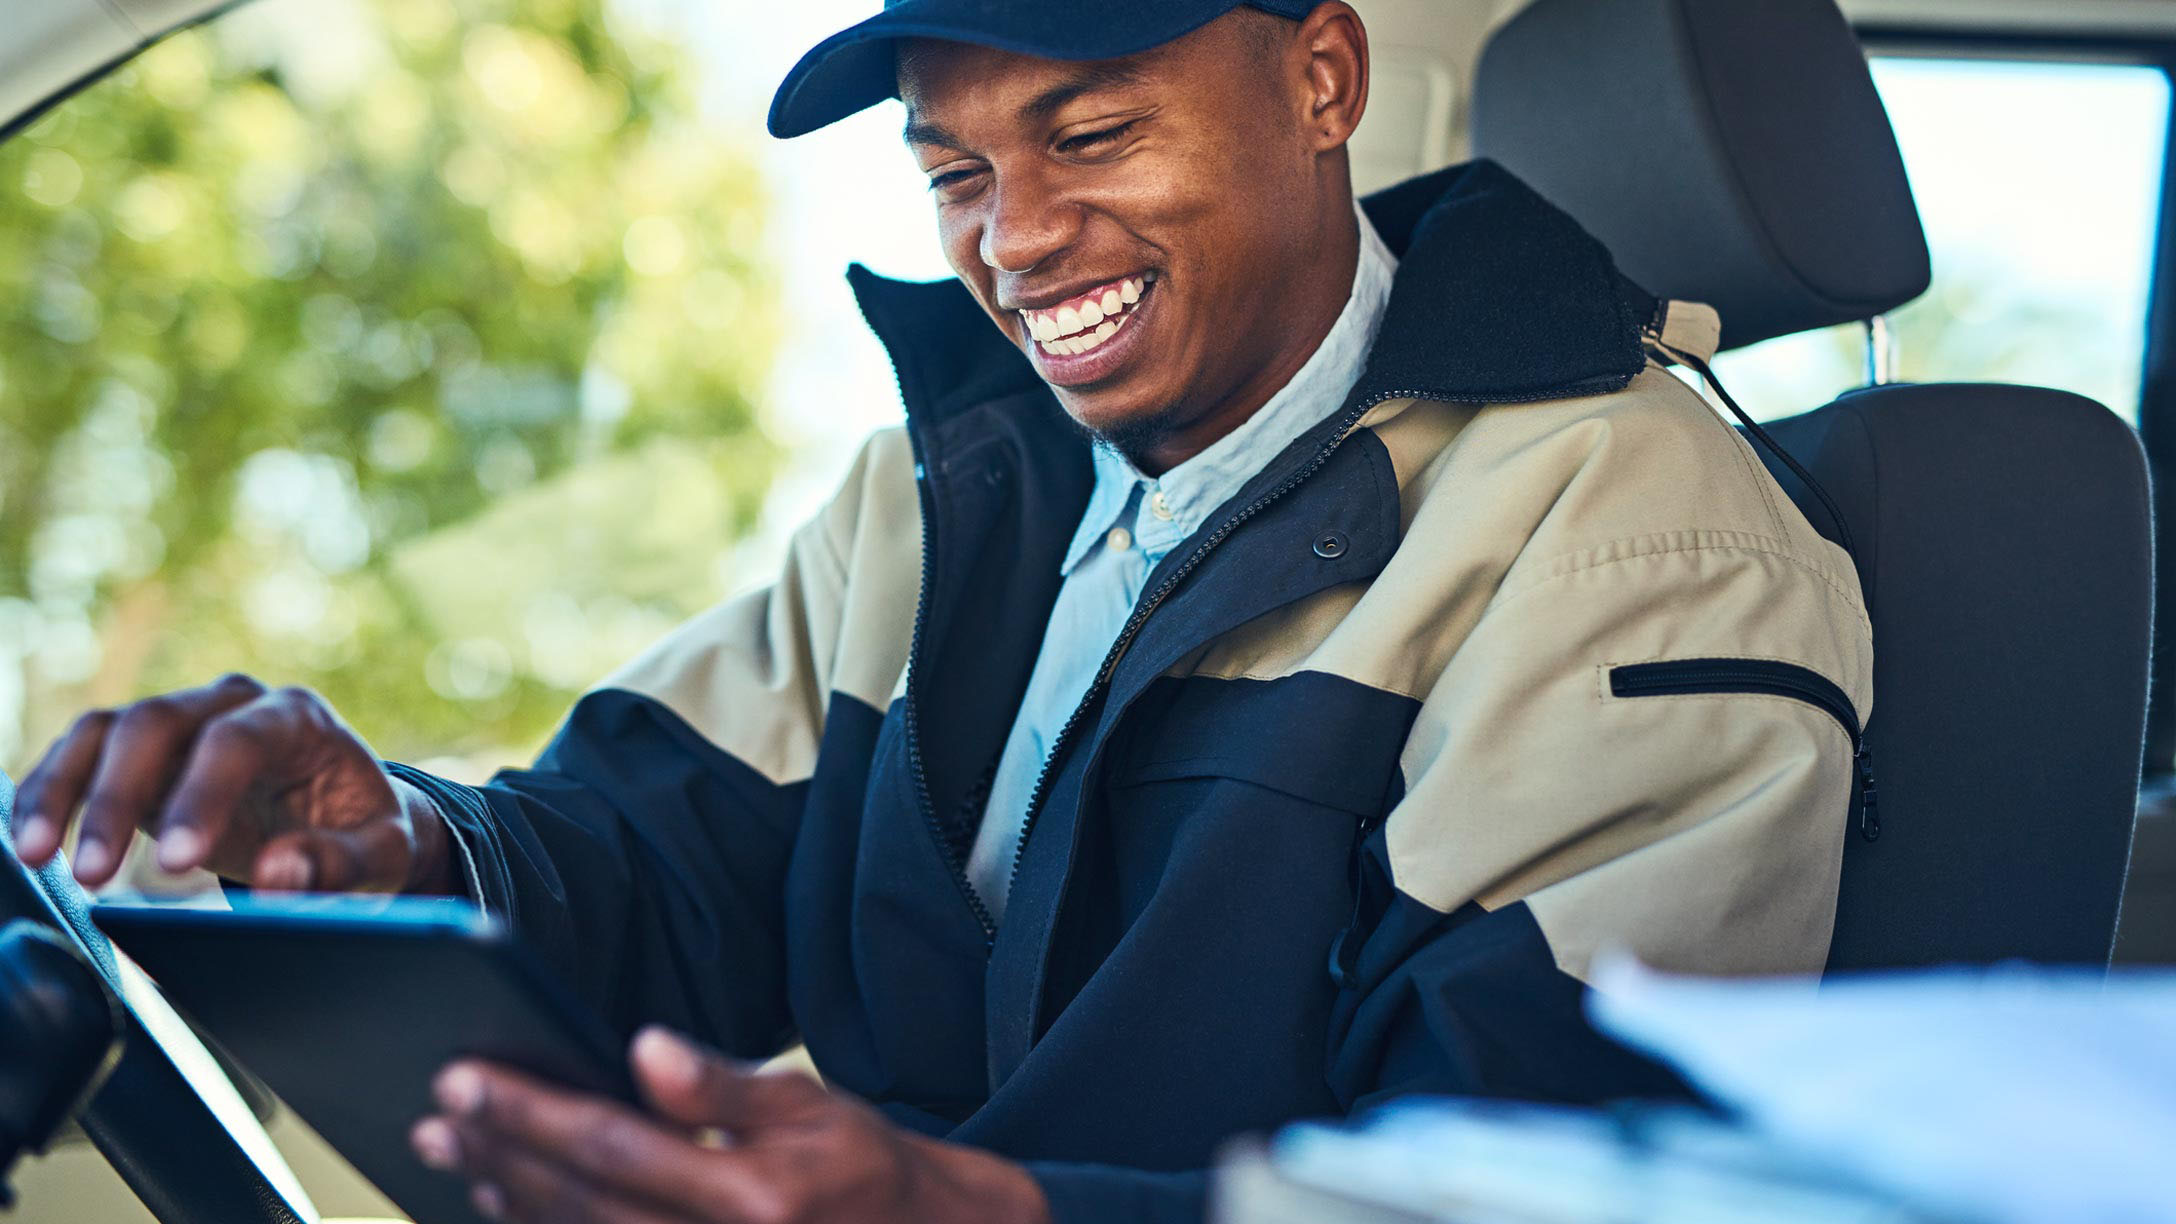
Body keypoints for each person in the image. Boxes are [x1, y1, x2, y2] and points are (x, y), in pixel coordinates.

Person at [10, 1, 1875, 1220]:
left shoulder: (1629, 535)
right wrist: (405, 847)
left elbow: (1552, 1184)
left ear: (1324, 78)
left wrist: (974, 1212)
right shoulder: (953, 485)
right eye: (958, 173)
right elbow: (673, 865)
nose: (1017, 237)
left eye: (1095, 134)